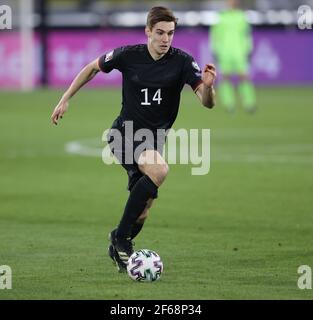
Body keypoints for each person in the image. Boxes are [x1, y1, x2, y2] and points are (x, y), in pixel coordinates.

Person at [51, 6, 217, 273]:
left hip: (152, 142)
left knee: (143, 210)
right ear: (148, 31)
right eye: (160, 33)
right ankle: (120, 239)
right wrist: (65, 98)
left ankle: (118, 242)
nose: (166, 39)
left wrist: (208, 87)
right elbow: (92, 68)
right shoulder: (129, 55)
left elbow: (207, 103)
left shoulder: (183, 62)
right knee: (160, 169)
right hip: (124, 135)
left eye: (171, 33)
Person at [210, 0, 256, 113]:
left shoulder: (242, 17)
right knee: (225, 78)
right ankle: (229, 104)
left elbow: (247, 35)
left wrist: (249, 49)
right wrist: (215, 50)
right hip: (224, 53)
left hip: (240, 52)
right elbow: (215, 36)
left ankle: (249, 103)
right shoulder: (220, 17)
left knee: (244, 77)